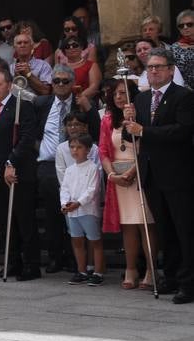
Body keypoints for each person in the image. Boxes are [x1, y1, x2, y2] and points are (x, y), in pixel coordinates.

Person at [123, 46, 194, 303]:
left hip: (178, 174)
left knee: (184, 229)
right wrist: (127, 121)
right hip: (152, 173)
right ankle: (172, 276)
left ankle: (189, 282)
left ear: (171, 70)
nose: (153, 71)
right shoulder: (141, 99)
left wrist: (143, 130)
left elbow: (182, 131)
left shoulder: (183, 96)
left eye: (158, 67)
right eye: (150, 67)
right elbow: (131, 135)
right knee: (165, 230)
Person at [34, 65, 99, 274]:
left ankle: (75, 260)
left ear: (72, 84)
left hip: (77, 166)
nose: (60, 85)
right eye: (56, 81)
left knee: (75, 213)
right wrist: (40, 149)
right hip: (48, 166)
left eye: (65, 81)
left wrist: (88, 107)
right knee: (53, 214)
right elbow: (32, 131)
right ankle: (55, 257)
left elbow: (97, 131)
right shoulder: (41, 104)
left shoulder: (81, 105)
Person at [0, 70, 41, 280]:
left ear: (9, 85)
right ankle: (12, 262)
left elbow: (26, 138)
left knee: (24, 219)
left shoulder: (22, 107)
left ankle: (31, 265)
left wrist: (11, 161)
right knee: (6, 221)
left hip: (19, 172)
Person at [100, 80, 156, 290]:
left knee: (145, 224)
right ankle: (130, 269)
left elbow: (145, 147)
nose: (118, 97)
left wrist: (134, 171)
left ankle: (150, 270)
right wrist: (111, 174)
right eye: (115, 94)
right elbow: (103, 150)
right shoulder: (107, 120)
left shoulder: (141, 118)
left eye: (123, 93)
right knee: (128, 226)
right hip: (119, 177)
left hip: (140, 174)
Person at [59, 135, 103, 286]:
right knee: (76, 240)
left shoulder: (93, 168)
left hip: (88, 210)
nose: (75, 150)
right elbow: (64, 188)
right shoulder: (70, 170)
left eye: (79, 147)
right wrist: (65, 203)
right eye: (72, 147)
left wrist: (79, 202)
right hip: (72, 211)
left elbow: (92, 190)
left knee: (94, 240)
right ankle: (82, 271)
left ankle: (97, 271)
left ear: (88, 150)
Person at [168, 8, 194, 86]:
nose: (185, 27)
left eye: (189, 24)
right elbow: (171, 71)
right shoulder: (174, 48)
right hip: (184, 91)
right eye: (181, 26)